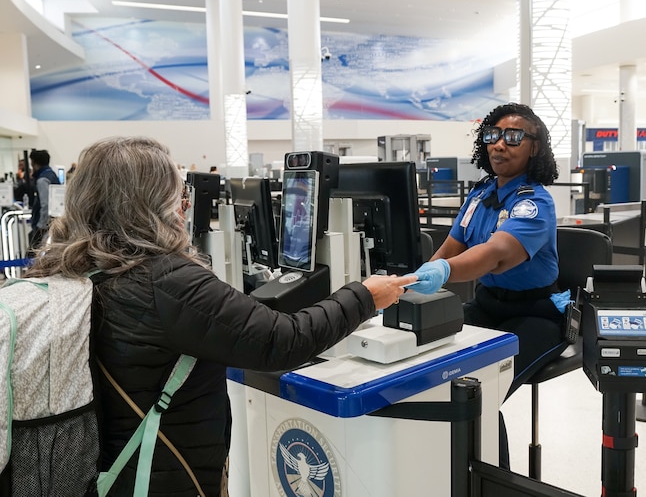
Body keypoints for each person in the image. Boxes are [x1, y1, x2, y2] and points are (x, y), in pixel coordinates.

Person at [25, 136, 415, 496]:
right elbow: (282, 340)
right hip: (164, 476)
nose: (183, 205)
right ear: (148, 201)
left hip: (106, 471)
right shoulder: (165, 281)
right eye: (176, 193)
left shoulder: (69, 267)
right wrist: (364, 296)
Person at [408, 102, 570, 468]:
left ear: (535, 147)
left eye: (513, 137)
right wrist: (414, 282)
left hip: (536, 315)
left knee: (478, 392)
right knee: (432, 367)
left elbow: (496, 254)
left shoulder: (534, 204)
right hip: (488, 306)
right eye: (492, 135)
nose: (499, 144)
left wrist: (443, 273)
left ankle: (493, 484)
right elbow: (452, 247)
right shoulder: (480, 195)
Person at [28, 149, 61, 250]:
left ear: (34, 163)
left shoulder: (42, 180)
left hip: (45, 226)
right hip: (55, 222)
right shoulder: (52, 175)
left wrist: (40, 226)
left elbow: (45, 204)